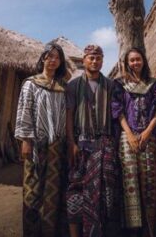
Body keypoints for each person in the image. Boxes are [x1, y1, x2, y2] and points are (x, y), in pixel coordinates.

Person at [15, 43, 69, 237]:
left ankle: (49, 232)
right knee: (33, 190)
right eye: (49, 56)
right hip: (36, 143)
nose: (53, 60)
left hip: (57, 146)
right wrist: (26, 140)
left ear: (61, 61)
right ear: (43, 59)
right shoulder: (31, 83)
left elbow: (67, 116)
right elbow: (24, 111)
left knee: (53, 193)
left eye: (57, 57)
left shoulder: (63, 87)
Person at [66, 44, 118, 237]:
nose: (95, 61)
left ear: (103, 61)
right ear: (84, 60)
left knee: (105, 192)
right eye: (91, 58)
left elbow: (116, 116)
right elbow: (69, 115)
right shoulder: (73, 86)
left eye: (98, 58)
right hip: (81, 144)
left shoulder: (111, 85)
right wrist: (71, 143)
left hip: (104, 145)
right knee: (75, 189)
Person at [111, 48, 156, 237]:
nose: (135, 63)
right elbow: (117, 111)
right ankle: (132, 230)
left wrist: (148, 132)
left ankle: (149, 229)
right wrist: (130, 135)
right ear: (127, 63)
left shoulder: (154, 84)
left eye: (138, 59)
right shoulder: (120, 84)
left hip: (148, 136)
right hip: (127, 136)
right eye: (131, 60)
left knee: (149, 178)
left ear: (143, 61)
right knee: (129, 179)